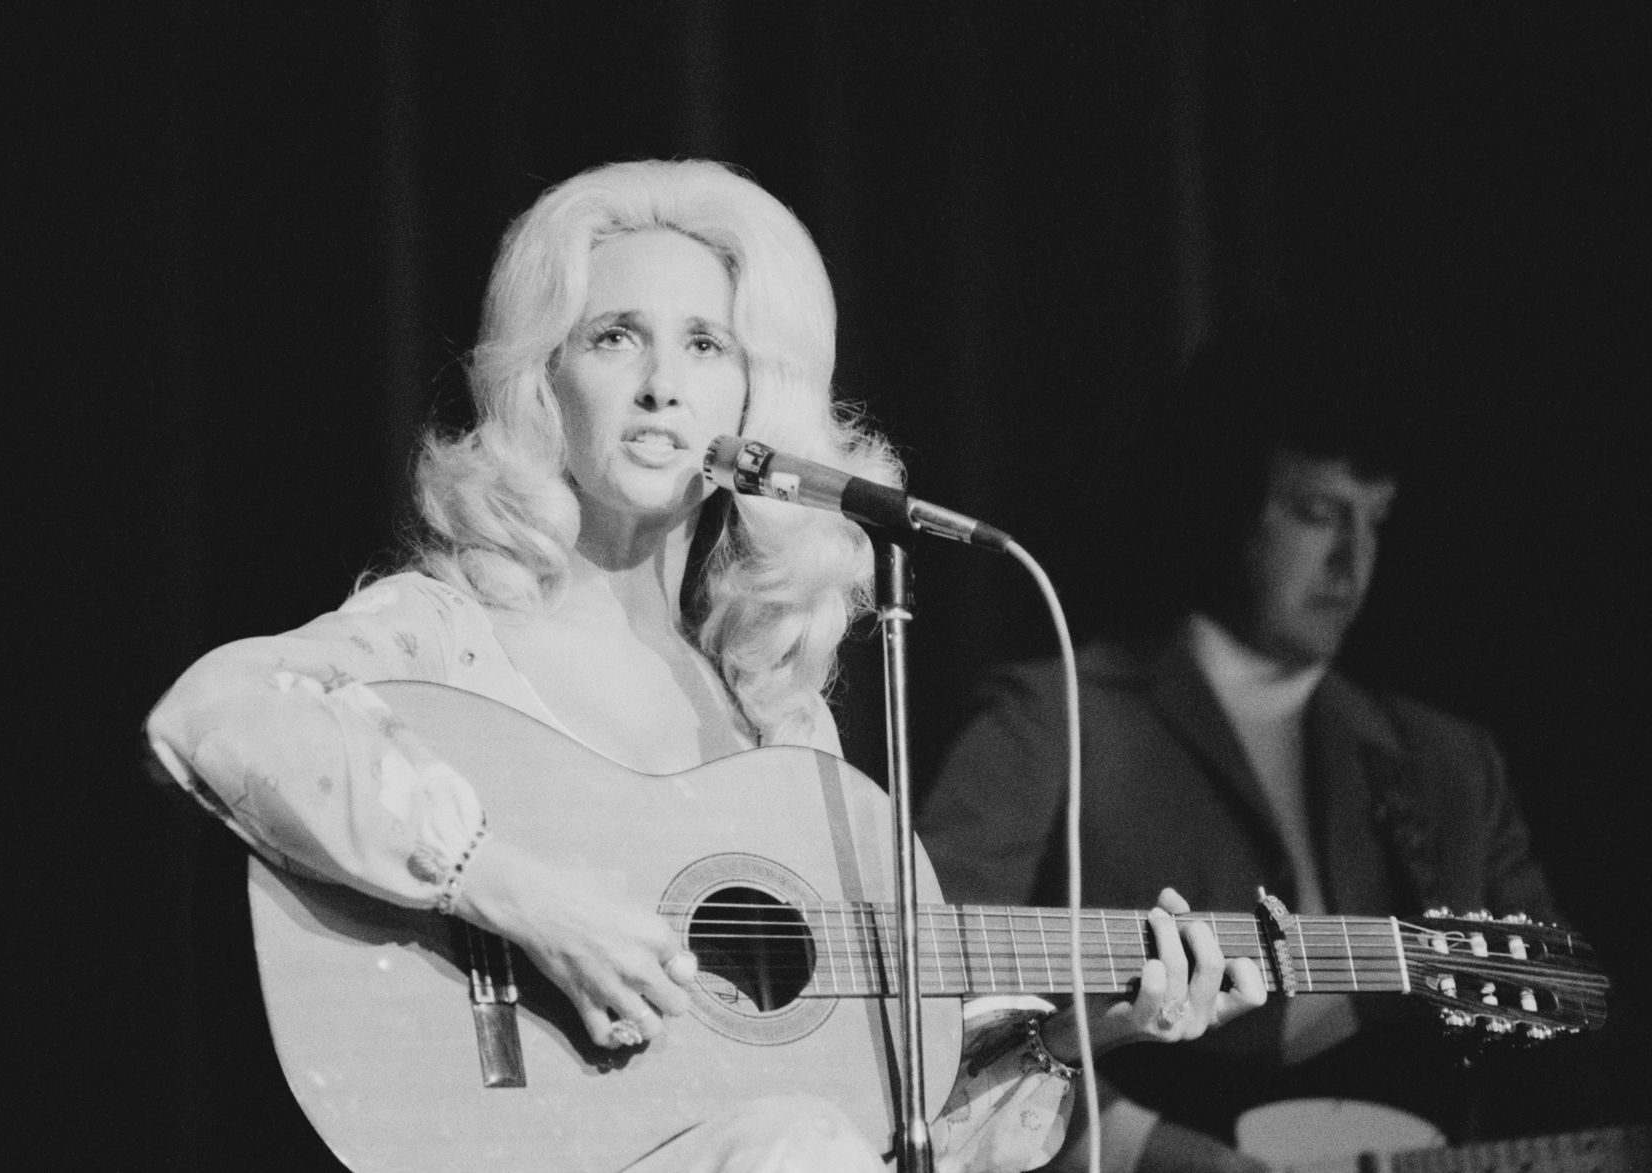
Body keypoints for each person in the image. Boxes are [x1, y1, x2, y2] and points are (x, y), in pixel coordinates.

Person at [144, 159, 1267, 1172]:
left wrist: (1083, 1031)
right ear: (545, 379)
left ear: (753, 399)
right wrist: (526, 897)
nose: (660, 385)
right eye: (613, 337)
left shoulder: (773, 714)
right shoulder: (449, 632)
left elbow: (888, 1124)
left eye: (705, 345)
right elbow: (214, 713)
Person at [918, 317, 1568, 1172]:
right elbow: (936, 997)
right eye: (1316, 514)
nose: (1353, 561)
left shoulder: (1450, 759)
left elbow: (1569, 1024)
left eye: (1374, 520)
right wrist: (1155, 1151)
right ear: (1228, 510)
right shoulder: (1053, 715)